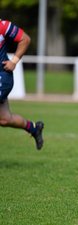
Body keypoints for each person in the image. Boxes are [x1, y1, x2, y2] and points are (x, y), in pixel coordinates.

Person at [0, 19, 44, 150]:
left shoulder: (3, 26)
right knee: (5, 119)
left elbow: (25, 39)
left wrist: (14, 60)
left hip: (2, 77)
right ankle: (34, 128)